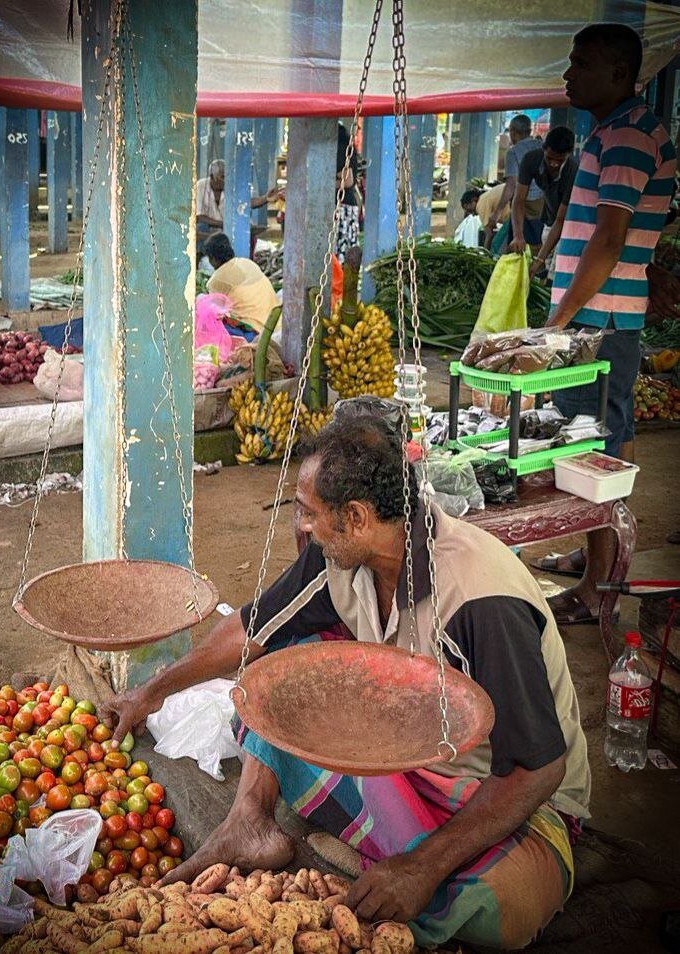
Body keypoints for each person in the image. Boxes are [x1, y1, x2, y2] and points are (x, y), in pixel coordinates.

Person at [100, 414, 590, 950]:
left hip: (500, 789)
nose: (302, 527)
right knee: (276, 679)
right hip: (405, 751)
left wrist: (420, 868)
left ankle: (397, 848)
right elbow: (251, 630)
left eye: (309, 514)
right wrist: (149, 693)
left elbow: (537, 768)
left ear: (355, 517)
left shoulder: (481, 600)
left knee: (496, 914)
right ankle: (250, 822)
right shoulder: (341, 555)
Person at [540, 23, 676, 625]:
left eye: (582, 63)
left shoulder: (626, 136)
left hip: (599, 321)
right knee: (601, 442)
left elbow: (611, 237)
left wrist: (559, 320)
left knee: (589, 447)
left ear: (619, 73)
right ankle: (597, 561)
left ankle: (599, 588)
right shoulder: (617, 131)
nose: (569, 74)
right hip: (605, 317)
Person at [508, 126, 578, 275]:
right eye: (549, 158)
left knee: (555, 276)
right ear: (543, 149)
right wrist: (518, 235)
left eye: (559, 160)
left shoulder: (573, 170)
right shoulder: (531, 160)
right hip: (549, 221)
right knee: (545, 270)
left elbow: (561, 220)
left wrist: (539, 259)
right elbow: (519, 200)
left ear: (569, 154)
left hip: (570, 227)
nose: (553, 164)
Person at [204, 232, 279, 336]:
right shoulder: (247, 262)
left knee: (209, 323)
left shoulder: (215, 280)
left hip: (255, 332)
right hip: (276, 324)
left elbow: (215, 311)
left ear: (212, 258)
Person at [486, 115, 544, 248]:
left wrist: (496, 214)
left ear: (513, 132)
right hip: (543, 205)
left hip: (524, 206)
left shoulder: (514, 152)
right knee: (539, 245)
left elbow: (511, 186)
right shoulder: (541, 146)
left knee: (520, 248)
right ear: (529, 131)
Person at [196, 159, 279, 244]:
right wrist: (224, 224)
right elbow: (199, 216)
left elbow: (246, 203)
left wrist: (265, 198)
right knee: (201, 227)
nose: (226, 180)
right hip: (210, 229)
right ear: (212, 177)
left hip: (228, 229)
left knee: (248, 230)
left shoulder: (231, 186)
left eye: (227, 176)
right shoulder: (200, 187)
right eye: (222, 177)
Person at [336, 122, 361, 263]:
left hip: (343, 210)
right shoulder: (347, 146)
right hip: (346, 207)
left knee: (341, 257)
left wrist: (325, 185)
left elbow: (348, 180)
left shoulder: (341, 148)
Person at [476, 182, 511, 249]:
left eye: (466, 207)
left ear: (472, 201)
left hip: (513, 215)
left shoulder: (480, 205)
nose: (469, 213)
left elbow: (489, 234)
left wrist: (485, 252)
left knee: (497, 244)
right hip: (515, 213)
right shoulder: (486, 197)